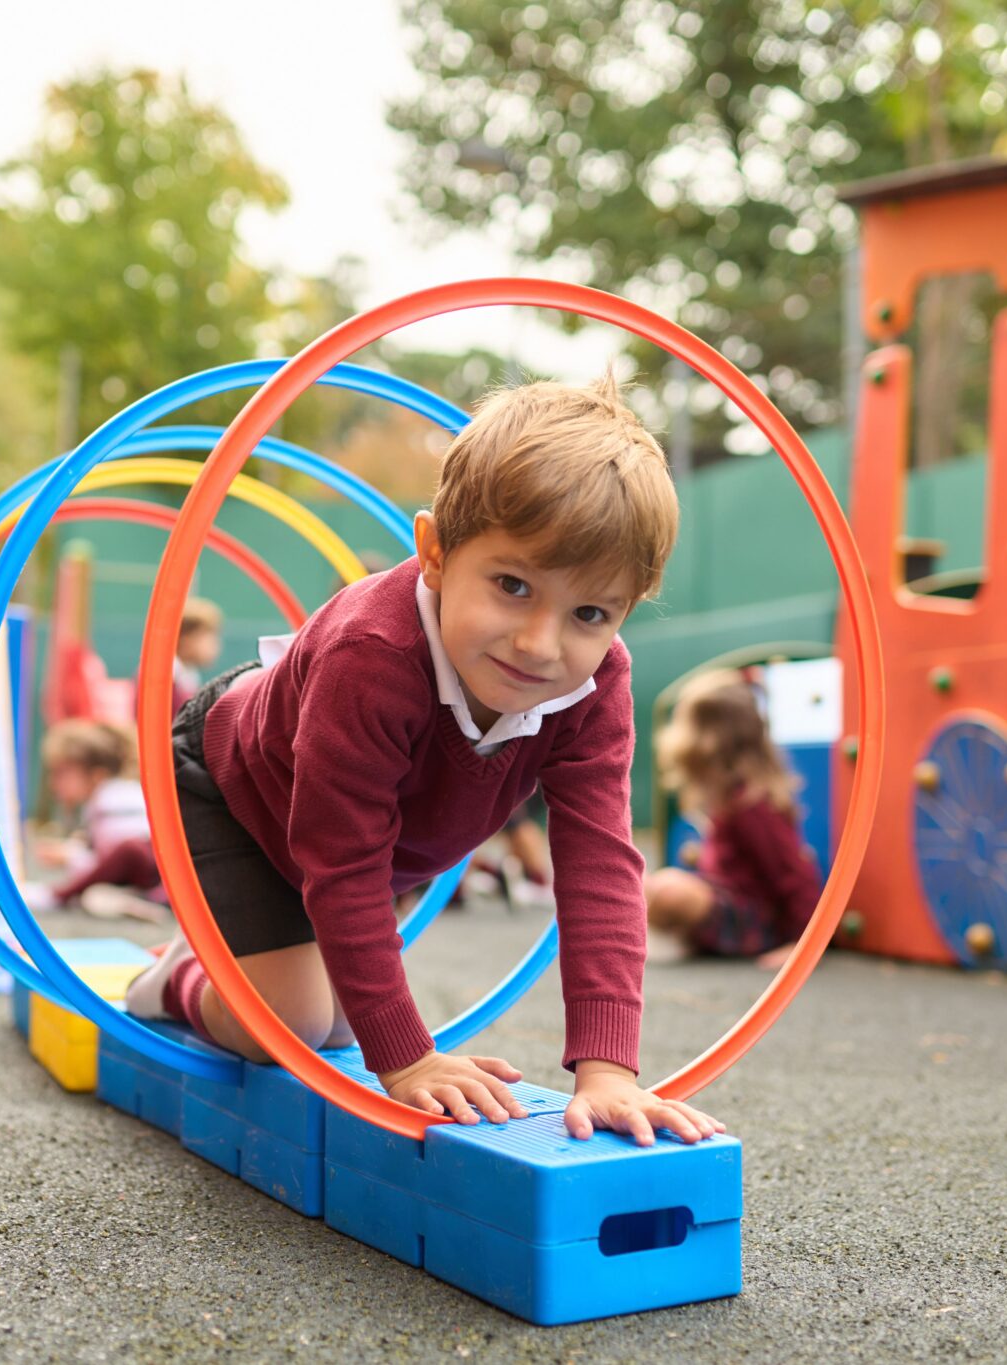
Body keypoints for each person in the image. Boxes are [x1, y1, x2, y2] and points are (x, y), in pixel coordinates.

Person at [124, 376, 725, 1148]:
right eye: (513, 585)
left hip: (364, 831)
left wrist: (609, 1070)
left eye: (588, 612)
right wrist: (408, 1061)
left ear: (625, 610)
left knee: (345, 1016)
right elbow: (343, 862)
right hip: (239, 787)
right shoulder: (371, 654)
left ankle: (248, 959)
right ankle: (176, 974)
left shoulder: (595, 684)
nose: (539, 643)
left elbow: (601, 864)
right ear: (435, 553)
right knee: (296, 1022)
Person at [644, 670, 821, 968]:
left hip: (756, 921)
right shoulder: (726, 797)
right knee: (640, 883)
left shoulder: (755, 806)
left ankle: (686, 936)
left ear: (713, 746)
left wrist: (803, 944)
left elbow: (794, 873)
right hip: (730, 907)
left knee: (670, 891)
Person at [31, 719, 165, 921]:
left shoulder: (111, 798)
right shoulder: (105, 799)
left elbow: (109, 860)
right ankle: (131, 900)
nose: (53, 783)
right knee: (96, 897)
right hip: (142, 877)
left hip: (154, 875)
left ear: (96, 775)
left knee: (129, 851)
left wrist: (70, 857)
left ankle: (58, 896)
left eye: (62, 774)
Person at [171, 598, 224, 715]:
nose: (215, 644)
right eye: (208, 636)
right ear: (185, 639)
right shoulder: (163, 680)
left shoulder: (188, 677)